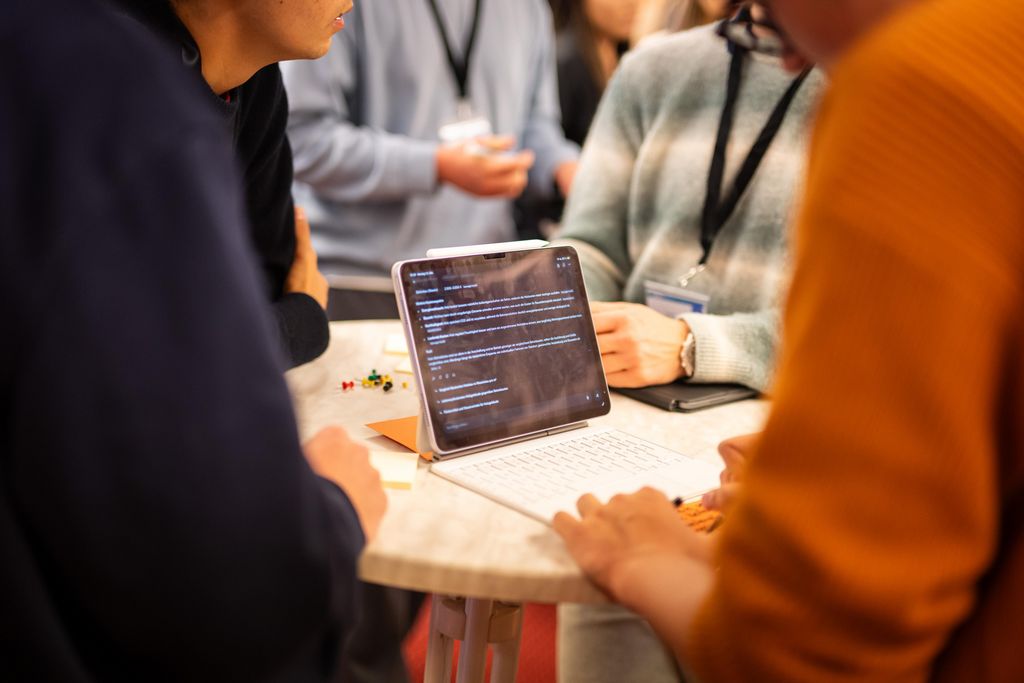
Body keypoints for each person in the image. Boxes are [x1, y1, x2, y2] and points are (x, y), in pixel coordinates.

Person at [554, 0, 1024, 681]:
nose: (791, 58)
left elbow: (815, 647)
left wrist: (646, 565)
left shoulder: (921, 88)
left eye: (777, 15)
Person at [0, 0, 386, 678]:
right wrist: (335, 514)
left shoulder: (251, 87)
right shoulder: (111, 100)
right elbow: (240, 598)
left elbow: (252, 308)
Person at [555, 6, 823, 395]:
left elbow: (877, 327)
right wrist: (560, 317)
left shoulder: (891, 85)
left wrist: (693, 344)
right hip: (629, 399)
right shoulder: (650, 67)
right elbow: (592, 246)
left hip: (783, 413)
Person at [282, 0, 581, 319]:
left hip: (481, 284)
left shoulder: (529, 8)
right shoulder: (343, 6)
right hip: (364, 285)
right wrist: (436, 166)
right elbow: (301, 139)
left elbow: (535, 129)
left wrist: (568, 170)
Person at [111, 0, 336, 369]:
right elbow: (136, 353)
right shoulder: (106, 73)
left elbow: (264, 286)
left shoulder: (254, 81)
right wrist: (300, 324)